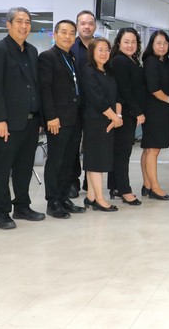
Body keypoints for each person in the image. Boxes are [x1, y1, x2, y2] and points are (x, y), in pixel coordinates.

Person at [0, 7, 46, 229]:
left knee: (24, 167)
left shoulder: (31, 51)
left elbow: (35, 87)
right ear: (8, 24)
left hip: (30, 121)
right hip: (7, 123)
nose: (24, 26)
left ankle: (22, 206)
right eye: (19, 21)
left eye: (27, 22)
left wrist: (40, 119)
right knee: (2, 169)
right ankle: (1, 212)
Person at [38, 19, 86, 219]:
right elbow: (45, 89)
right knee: (56, 161)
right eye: (64, 32)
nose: (68, 36)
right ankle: (53, 201)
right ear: (55, 34)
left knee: (69, 160)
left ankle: (65, 197)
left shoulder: (71, 56)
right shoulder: (47, 57)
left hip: (74, 117)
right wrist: (51, 117)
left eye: (71, 33)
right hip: (58, 119)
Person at [80, 38, 122, 212]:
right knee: (96, 160)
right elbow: (96, 99)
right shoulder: (88, 71)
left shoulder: (108, 71)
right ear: (92, 52)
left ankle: (91, 196)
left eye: (107, 50)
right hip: (95, 121)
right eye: (100, 50)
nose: (104, 53)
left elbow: (117, 96)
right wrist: (115, 118)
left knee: (97, 159)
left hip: (109, 120)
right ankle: (99, 199)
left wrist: (117, 117)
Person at [140, 30, 169, 200]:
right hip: (154, 110)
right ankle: (155, 188)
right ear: (152, 45)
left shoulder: (164, 61)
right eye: (158, 43)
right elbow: (154, 88)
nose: (162, 46)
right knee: (153, 150)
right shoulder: (151, 61)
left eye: (165, 43)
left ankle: (147, 184)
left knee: (148, 149)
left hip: (161, 109)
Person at [109, 28, 146, 206]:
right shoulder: (120, 61)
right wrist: (138, 111)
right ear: (118, 43)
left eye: (133, 42)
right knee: (122, 153)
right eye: (126, 42)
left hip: (127, 112)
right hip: (123, 113)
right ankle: (125, 190)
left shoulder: (131, 60)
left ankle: (115, 186)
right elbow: (125, 90)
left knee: (120, 151)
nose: (130, 45)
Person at [68, 10, 97, 197]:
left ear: (95, 26)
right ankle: (73, 182)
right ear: (77, 26)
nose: (87, 26)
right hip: (74, 106)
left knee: (93, 144)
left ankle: (90, 179)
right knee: (73, 145)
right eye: (83, 23)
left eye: (90, 23)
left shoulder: (101, 47)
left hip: (96, 106)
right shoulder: (70, 47)